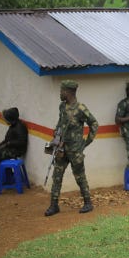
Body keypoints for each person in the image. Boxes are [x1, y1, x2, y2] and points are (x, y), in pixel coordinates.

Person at [45, 80, 98, 217]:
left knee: (80, 176)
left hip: (75, 150)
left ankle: (87, 203)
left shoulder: (80, 108)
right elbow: (60, 123)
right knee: (57, 176)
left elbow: (94, 124)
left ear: (68, 92)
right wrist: (56, 135)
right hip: (61, 148)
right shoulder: (62, 107)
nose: (60, 93)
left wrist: (86, 142)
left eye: (62, 91)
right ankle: (54, 205)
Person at [0, 107, 28, 185]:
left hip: (16, 150)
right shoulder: (13, 126)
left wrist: (9, 143)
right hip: (10, 148)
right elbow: (6, 140)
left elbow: (22, 142)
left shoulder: (20, 127)